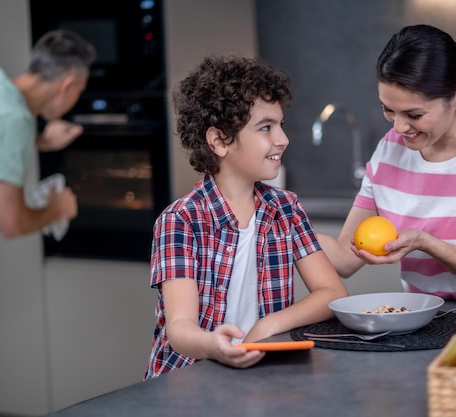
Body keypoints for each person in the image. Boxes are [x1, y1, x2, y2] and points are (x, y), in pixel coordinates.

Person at [144, 55, 348, 379]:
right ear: (219, 141)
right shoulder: (180, 221)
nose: (282, 139)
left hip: (262, 374)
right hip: (189, 383)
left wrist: (267, 326)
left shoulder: (286, 209)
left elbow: (333, 293)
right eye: (266, 127)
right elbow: (180, 330)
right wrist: (214, 345)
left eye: (281, 124)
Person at [317, 24, 456, 303]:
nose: (399, 127)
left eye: (414, 114)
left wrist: (425, 242)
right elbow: (345, 257)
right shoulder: (390, 148)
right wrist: (288, 227)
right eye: (389, 109)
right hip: (429, 316)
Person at [0, 29, 96, 238]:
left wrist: (40, 141)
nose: (76, 99)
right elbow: (11, 224)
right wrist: (58, 209)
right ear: (67, 85)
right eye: (79, 91)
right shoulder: (14, 120)